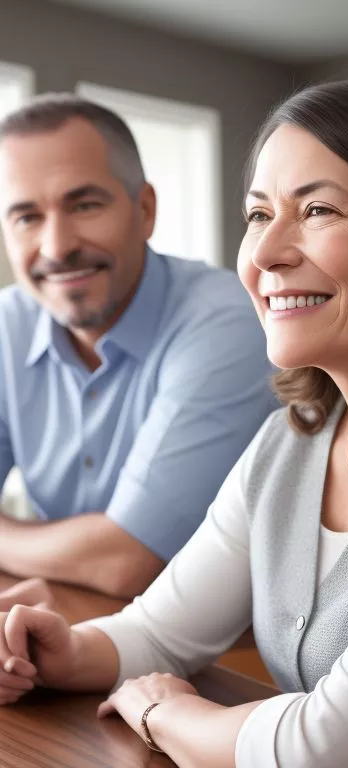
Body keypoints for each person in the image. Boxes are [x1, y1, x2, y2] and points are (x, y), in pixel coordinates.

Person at [1, 80, 348, 767]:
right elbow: (163, 628)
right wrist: (66, 650)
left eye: (318, 210)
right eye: (257, 214)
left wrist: (163, 710)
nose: (265, 253)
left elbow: (341, 752)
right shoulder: (292, 440)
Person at [0, 94, 275, 600]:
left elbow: (129, 561)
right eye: (26, 217)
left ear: (144, 210)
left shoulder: (226, 322)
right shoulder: (6, 325)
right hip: (67, 618)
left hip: (230, 651)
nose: (57, 247)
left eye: (84, 205)